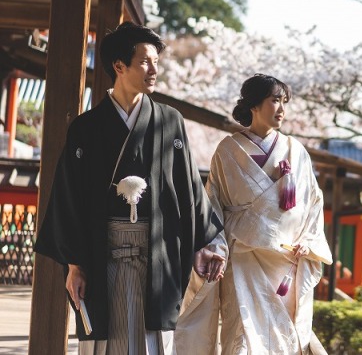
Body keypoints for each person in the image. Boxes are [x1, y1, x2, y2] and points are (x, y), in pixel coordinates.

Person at [34, 22, 224, 354]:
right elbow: (68, 198)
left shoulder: (169, 122)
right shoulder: (85, 128)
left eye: (156, 62)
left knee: (152, 343)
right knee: (106, 341)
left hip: (156, 258)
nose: (154, 70)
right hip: (101, 256)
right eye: (145, 62)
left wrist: (203, 244)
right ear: (119, 66)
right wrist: (75, 265)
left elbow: (188, 188)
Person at [176, 74, 332, 354]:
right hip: (241, 260)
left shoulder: (296, 151)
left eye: (284, 102)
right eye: (275, 101)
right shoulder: (228, 150)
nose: (281, 109)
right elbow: (212, 205)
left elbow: (313, 203)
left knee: (282, 340)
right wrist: (216, 248)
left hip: (284, 263)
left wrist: (308, 241)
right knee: (242, 338)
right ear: (254, 105)